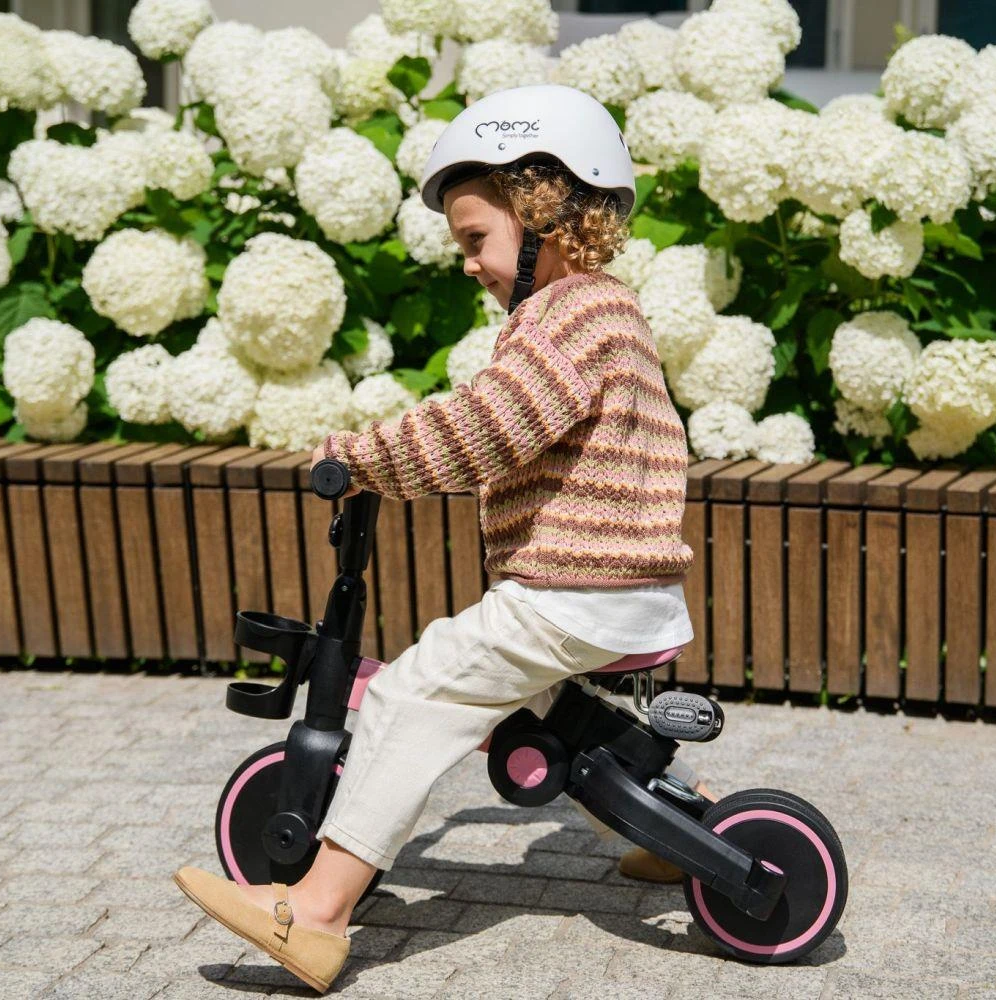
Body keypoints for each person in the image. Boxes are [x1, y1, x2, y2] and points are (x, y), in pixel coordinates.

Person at [173, 83, 714, 994]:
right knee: (554, 727)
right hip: (609, 587)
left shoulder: (571, 315)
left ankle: (316, 915)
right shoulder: (598, 311)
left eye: (475, 239)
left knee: (413, 693)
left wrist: (362, 459)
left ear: (545, 212)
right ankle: (681, 830)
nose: (468, 263)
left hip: (575, 590)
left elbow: (485, 428)